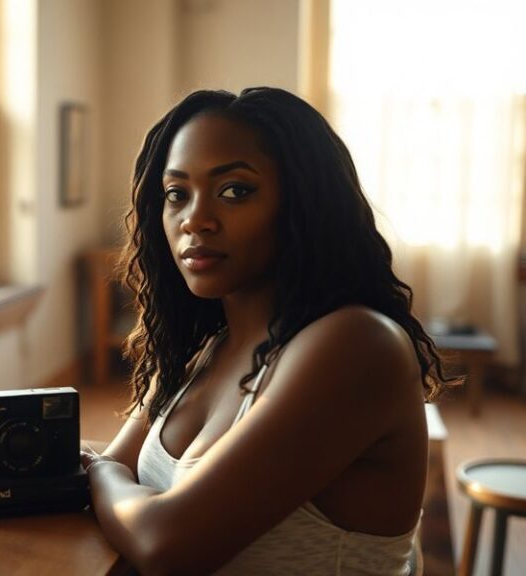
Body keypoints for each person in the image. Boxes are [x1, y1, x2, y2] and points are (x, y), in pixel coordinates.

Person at [80, 87, 456, 576]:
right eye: (177, 194)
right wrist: (99, 471)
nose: (196, 219)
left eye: (235, 190)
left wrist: (101, 472)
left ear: (304, 203)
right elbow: (115, 471)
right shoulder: (204, 349)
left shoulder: (357, 345)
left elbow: (163, 542)